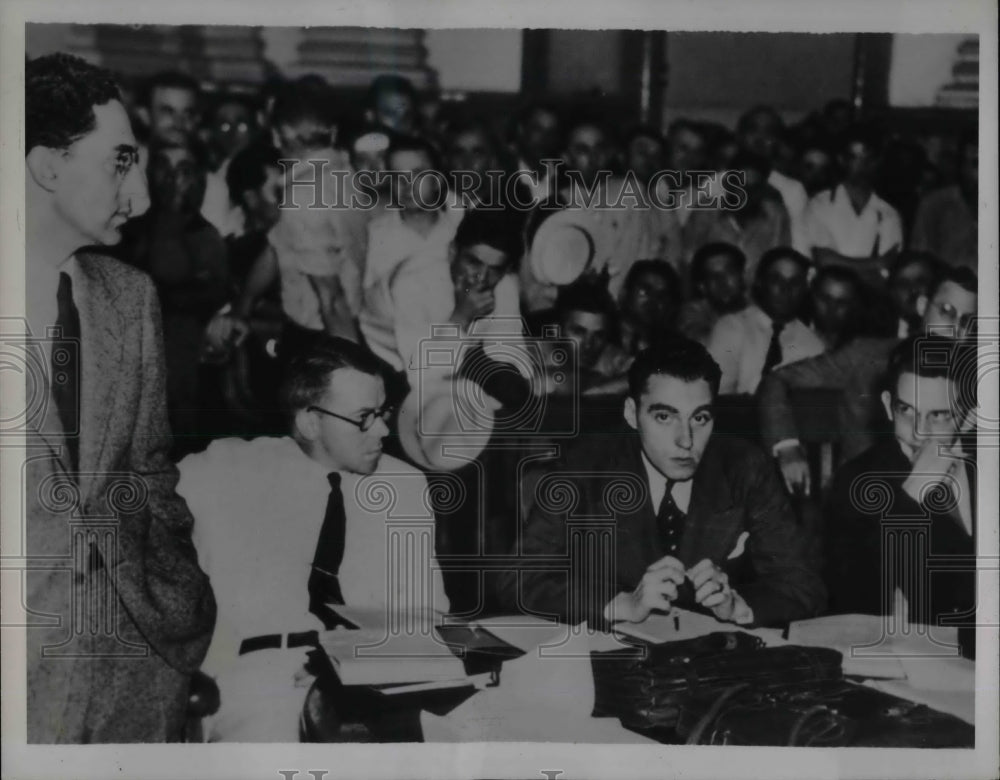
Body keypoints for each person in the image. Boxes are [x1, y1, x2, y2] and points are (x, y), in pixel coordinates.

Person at [23, 53, 215, 742]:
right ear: (48, 167)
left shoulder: (130, 299)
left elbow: (151, 473)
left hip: (131, 670)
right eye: (120, 162)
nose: (142, 194)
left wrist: (178, 608)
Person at [178, 337, 450, 741]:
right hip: (263, 680)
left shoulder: (405, 487)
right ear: (309, 422)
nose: (383, 429)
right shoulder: (225, 470)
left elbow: (426, 614)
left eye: (383, 412)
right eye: (364, 417)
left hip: (374, 681)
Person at [497, 338, 825, 628]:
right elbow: (517, 579)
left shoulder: (745, 468)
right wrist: (621, 603)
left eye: (699, 418)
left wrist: (738, 605)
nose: (685, 440)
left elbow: (803, 586)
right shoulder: (584, 467)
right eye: (664, 417)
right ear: (631, 414)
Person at [759, 265, 978, 496]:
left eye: (967, 321)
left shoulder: (979, 379)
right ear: (922, 306)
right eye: (946, 311)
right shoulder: (866, 357)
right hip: (864, 498)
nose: (955, 328)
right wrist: (786, 446)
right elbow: (777, 379)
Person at [823, 336, 975, 653]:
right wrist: (910, 498)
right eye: (907, 410)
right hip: (918, 658)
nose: (920, 432)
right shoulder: (858, 482)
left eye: (939, 415)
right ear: (887, 406)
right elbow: (857, 605)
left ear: (967, 414)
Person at [118, 139, 231, 456]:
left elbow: (213, 292)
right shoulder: (131, 229)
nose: (172, 179)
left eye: (183, 170)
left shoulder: (205, 236)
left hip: (183, 361)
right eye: (163, 169)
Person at [360, 136, 463, 369]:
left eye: (418, 175)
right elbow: (367, 314)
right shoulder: (373, 237)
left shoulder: (460, 234)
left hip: (458, 361)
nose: (408, 186)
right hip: (395, 365)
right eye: (398, 177)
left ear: (437, 180)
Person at [392, 207, 525, 375]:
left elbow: (508, 354)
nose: (482, 277)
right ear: (452, 252)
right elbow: (419, 374)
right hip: (387, 363)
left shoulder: (504, 285)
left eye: (494, 269)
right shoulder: (412, 285)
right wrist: (461, 317)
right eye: (474, 262)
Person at [706, 247, 824, 395]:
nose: (785, 289)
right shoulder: (732, 327)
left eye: (794, 282)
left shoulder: (813, 346)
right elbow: (717, 394)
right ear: (760, 282)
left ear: (805, 289)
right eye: (776, 280)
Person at [803, 126, 903, 285]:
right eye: (855, 157)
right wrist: (876, 262)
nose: (862, 166)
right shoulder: (819, 204)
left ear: (877, 161)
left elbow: (886, 273)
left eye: (869, 158)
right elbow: (824, 260)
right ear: (842, 160)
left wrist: (842, 262)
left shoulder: (888, 213)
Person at [683, 150, 792, 284]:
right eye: (739, 186)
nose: (745, 194)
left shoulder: (776, 216)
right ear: (727, 184)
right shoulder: (706, 212)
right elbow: (688, 262)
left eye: (753, 188)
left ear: (763, 189)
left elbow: (781, 266)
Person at [736, 105, 810, 254]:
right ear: (740, 137)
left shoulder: (792, 190)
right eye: (753, 130)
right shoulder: (715, 184)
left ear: (778, 141)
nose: (760, 138)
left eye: (769, 133)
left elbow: (799, 246)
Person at [909, 131, 978, 271]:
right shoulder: (934, 205)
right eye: (965, 162)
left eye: (977, 163)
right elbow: (919, 263)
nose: (969, 170)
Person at [677, 242, 748, 345]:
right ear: (702, 287)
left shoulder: (759, 309)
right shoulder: (693, 313)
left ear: (742, 277)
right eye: (712, 276)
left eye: (729, 272)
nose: (722, 282)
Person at [617, 259, 683, 356]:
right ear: (625, 293)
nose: (653, 301)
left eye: (661, 297)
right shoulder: (603, 329)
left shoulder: (669, 349)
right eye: (644, 292)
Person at [808, 265, 864, 352]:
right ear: (813, 295)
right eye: (825, 299)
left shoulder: (861, 345)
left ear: (853, 305)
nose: (831, 309)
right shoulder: (789, 336)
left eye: (841, 303)